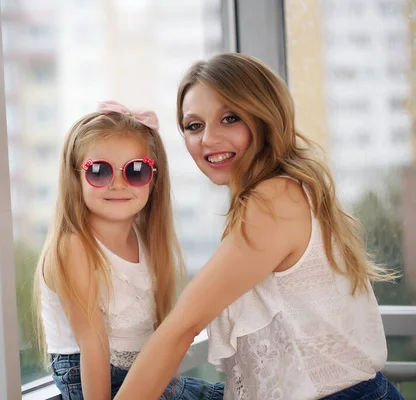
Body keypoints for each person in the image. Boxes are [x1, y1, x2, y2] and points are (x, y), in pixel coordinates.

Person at [114, 53, 403, 399]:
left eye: (229, 118)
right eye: (194, 125)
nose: (208, 139)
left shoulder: (276, 198)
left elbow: (183, 326)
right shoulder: (279, 192)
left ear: (265, 117)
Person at [35, 100, 224, 399]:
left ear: (153, 178)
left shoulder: (144, 236)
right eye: (99, 171)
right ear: (76, 176)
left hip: (144, 375)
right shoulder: (73, 248)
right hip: (100, 382)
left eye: (136, 171)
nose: (119, 184)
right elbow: (94, 349)